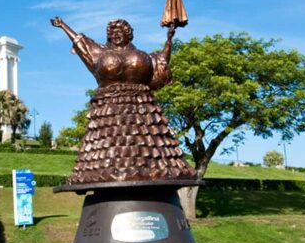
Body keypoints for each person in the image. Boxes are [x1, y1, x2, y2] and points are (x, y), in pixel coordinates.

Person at [50, 16, 197, 186]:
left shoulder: (141, 55)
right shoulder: (101, 53)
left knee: (148, 149)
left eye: (120, 32)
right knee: (108, 154)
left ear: (129, 34)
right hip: (109, 111)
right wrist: (63, 26)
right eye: (112, 33)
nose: (116, 35)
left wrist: (169, 41)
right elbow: (82, 43)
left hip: (141, 109)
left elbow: (160, 67)